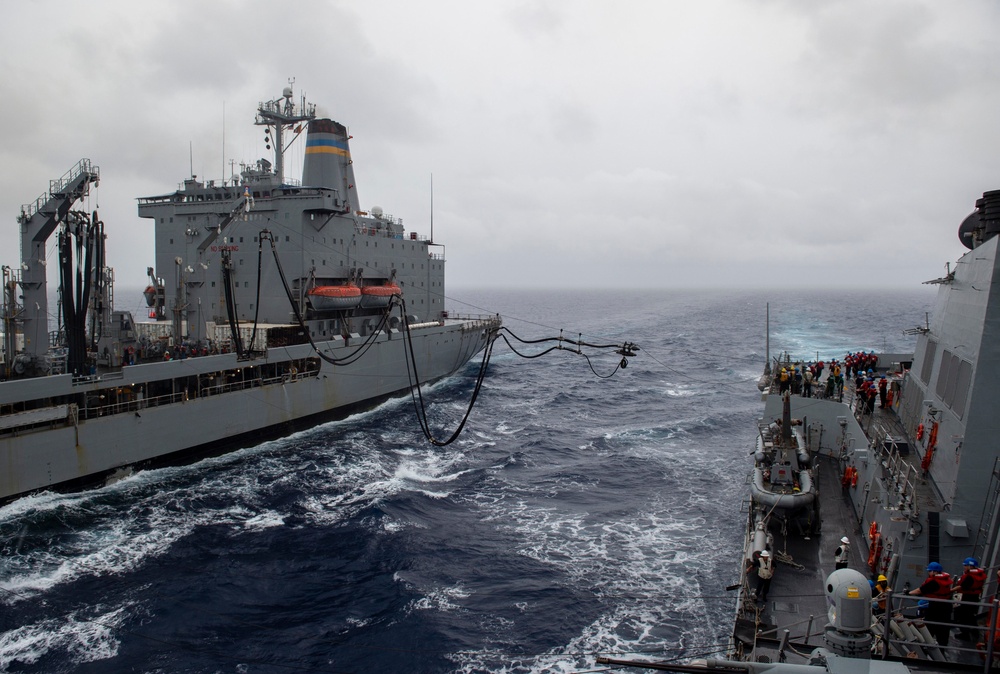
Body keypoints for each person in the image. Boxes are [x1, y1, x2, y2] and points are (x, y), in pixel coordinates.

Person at [909, 561, 953, 646]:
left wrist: (908, 593)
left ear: (935, 572)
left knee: (930, 627)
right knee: (943, 630)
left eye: (929, 571)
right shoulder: (945, 580)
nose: (928, 573)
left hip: (936, 608)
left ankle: (927, 646)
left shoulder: (934, 582)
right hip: (946, 607)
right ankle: (942, 647)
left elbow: (920, 590)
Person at [953, 557, 987, 641]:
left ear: (971, 566)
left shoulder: (970, 576)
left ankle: (965, 634)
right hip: (975, 597)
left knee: (963, 615)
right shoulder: (979, 574)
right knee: (971, 616)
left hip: (968, 597)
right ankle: (975, 632)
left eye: (966, 565)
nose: (964, 567)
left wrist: (950, 590)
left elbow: (962, 586)